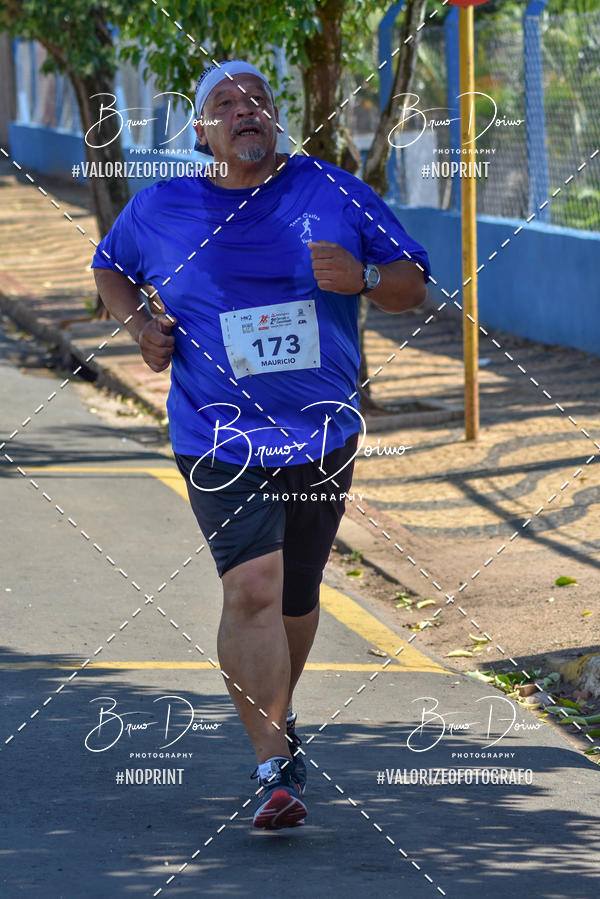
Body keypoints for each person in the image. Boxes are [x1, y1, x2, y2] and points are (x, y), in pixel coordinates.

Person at [92, 60, 430, 830]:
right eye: (226, 103)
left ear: (276, 121)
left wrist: (366, 274)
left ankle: (276, 714)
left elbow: (415, 284)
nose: (247, 110)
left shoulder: (333, 190)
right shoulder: (161, 207)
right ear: (202, 129)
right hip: (216, 435)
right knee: (253, 588)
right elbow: (110, 267)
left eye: (259, 101)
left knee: (299, 594)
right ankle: (273, 764)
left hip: (322, 434)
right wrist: (140, 327)